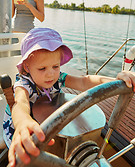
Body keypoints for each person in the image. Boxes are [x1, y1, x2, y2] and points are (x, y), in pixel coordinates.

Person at [3, 28, 135, 167]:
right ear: (27, 67)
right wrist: (23, 122)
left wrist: (117, 81)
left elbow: (85, 81)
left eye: (56, 66)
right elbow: (20, 104)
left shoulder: (59, 78)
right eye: (42, 69)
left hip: (48, 125)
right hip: (23, 130)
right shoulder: (23, 84)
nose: (50, 74)